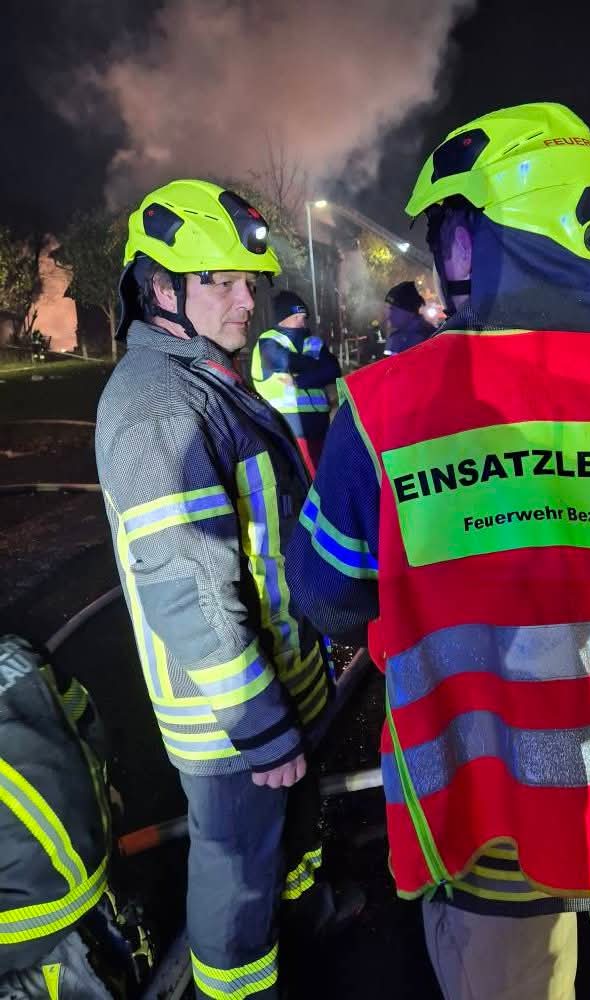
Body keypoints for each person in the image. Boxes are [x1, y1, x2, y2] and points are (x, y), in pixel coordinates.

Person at [286, 103, 590, 999]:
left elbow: (328, 599)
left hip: (487, 812)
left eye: (443, 234)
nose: (437, 258)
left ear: (477, 238)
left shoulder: (384, 408)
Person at [95, 180, 335, 1000]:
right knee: (235, 876)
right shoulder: (160, 408)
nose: (246, 300)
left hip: (278, 682)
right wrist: (260, 726)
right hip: (230, 715)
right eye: (221, 282)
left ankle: (306, 924)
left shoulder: (202, 378)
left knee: (285, 846)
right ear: (161, 289)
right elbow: (189, 591)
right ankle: (239, 988)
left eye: (249, 281)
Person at [0, 634, 114, 998]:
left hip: (26, 919)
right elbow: (84, 713)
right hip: (99, 860)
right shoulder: (17, 650)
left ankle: (29, 984)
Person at [251, 291, 341, 474]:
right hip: (288, 427)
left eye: (304, 317)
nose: (302, 323)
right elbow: (286, 362)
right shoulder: (268, 341)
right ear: (282, 319)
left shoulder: (313, 341)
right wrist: (318, 367)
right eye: (296, 317)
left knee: (324, 477)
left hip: (320, 426)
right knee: (307, 479)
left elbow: (334, 370)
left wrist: (300, 380)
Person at [382, 280, 434, 355]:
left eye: (393, 309)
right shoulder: (395, 337)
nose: (389, 315)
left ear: (410, 311)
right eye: (388, 309)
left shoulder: (428, 338)